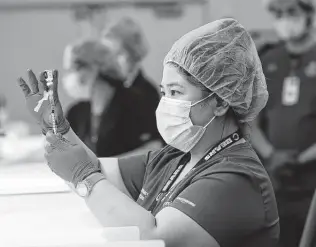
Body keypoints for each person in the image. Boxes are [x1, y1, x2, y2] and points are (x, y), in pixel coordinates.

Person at [18, 18, 279, 247]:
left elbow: (154, 238)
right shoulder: (173, 159)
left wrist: (84, 178)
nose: (165, 103)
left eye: (176, 92)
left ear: (221, 101)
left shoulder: (236, 177)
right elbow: (95, 167)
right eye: (164, 92)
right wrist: (58, 130)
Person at [251, 0, 316, 246]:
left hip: (311, 180)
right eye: (278, 13)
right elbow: (250, 119)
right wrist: (271, 155)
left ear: (308, 14)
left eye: (291, 12)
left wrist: (300, 159)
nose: (284, 19)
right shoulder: (268, 59)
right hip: (275, 179)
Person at [63, 39, 162, 157]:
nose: (71, 76)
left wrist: (109, 166)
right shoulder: (76, 112)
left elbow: (155, 147)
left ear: (95, 67)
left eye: (75, 68)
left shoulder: (138, 103)